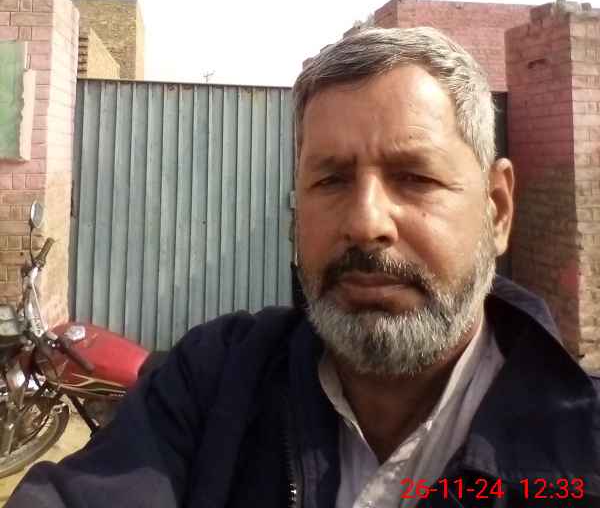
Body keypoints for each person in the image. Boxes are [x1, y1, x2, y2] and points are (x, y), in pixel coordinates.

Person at [8, 27, 600, 507]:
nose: (366, 222)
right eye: (332, 180)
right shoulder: (212, 386)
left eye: (414, 178)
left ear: (497, 209)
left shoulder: (582, 446)